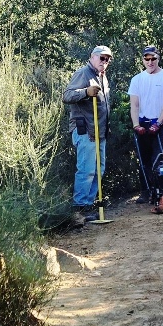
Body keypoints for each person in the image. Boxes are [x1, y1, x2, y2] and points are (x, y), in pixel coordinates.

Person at [62, 44, 112, 225]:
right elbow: (67, 96)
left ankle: (88, 208)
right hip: (85, 131)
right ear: (92, 57)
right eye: (102, 58)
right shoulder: (83, 74)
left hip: (100, 132)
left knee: (99, 170)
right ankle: (78, 210)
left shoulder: (102, 77)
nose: (104, 62)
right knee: (87, 170)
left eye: (107, 59)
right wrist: (85, 92)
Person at [128, 45, 163, 203]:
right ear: (143, 60)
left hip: (161, 124)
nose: (150, 62)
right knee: (143, 160)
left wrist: (158, 123)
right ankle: (145, 192)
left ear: (158, 58)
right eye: (147, 59)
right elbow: (134, 105)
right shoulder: (137, 79)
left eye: (153, 58)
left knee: (161, 159)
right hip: (143, 124)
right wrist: (136, 125)